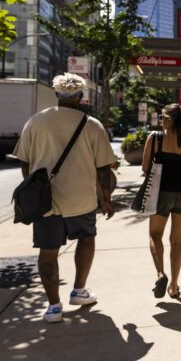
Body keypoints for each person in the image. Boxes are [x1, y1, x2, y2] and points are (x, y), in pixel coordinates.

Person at [13, 73, 117, 323]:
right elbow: (104, 169)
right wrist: (106, 198)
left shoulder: (35, 122)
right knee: (86, 239)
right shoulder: (92, 125)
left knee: (48, 252)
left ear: (56, 95)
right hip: (81, 199)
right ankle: (79, 290)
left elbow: (25, 163)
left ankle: (53, 307)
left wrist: (35, 189)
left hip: (46, 203)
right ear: (81, 97)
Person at [142, 103, 181, 299]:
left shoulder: (155, 139)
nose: (162, 121)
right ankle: (174, 286)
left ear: (170, 120)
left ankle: (161, 274)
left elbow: (145, 168)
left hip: (162, 192)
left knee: (154, 235)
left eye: (163, 118)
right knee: (176, 240)